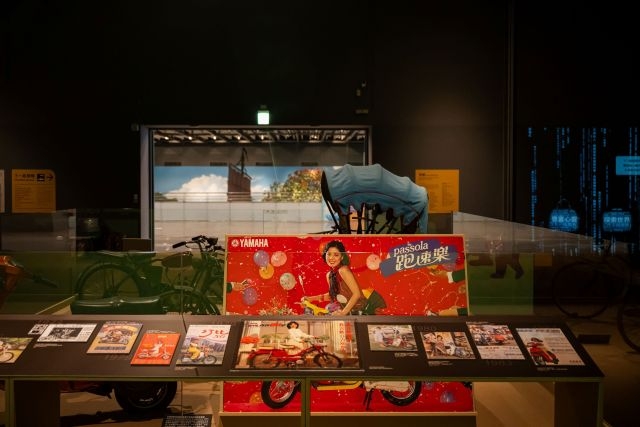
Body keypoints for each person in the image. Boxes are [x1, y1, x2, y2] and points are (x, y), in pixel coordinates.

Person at [305, 240, 367, 316]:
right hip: (347, 312)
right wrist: (310, 299)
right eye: (329, 254)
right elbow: (332, 295)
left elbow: (357, 294)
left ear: (342, 257)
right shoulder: (329, 275)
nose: (331, 258)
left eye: (336, 255)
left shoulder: (343, 270)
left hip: (360, 311)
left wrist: (343, 313)